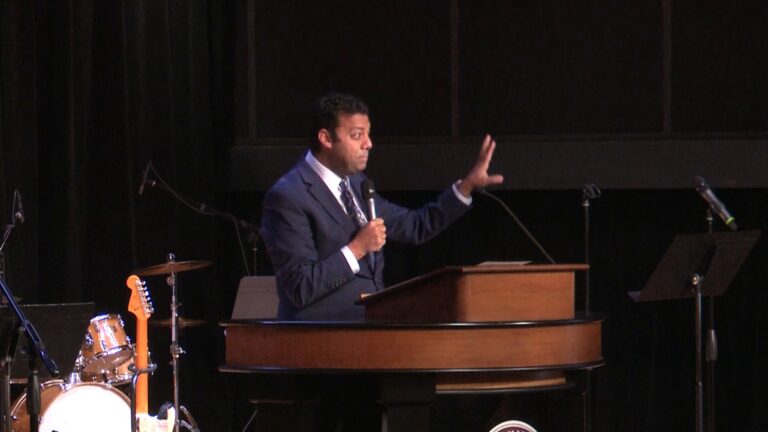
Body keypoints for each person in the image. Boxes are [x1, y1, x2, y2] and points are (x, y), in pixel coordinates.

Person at [260, 92, 503, 321]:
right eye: (357, 135)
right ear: (326, 138)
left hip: (371, 330)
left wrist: (466, 187)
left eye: (368, 134)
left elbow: (415, 226)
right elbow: (300, 286)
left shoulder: (356, 184)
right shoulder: (288, 196)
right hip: (322, 339)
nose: (369, 144)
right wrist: (357, 248)